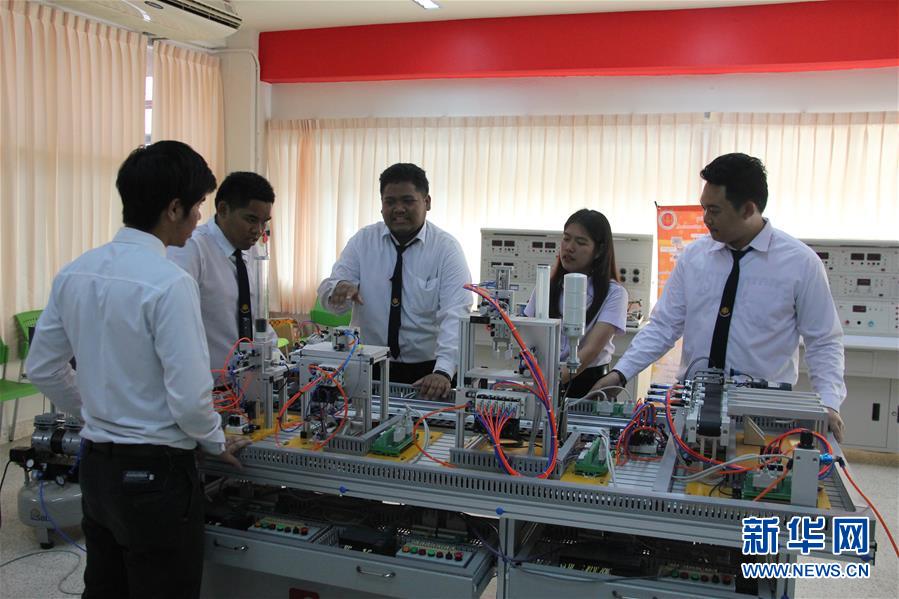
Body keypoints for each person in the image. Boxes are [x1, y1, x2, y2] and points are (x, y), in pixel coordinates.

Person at [26, 141, 249, 598]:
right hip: (157, 476)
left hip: (96, 468)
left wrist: (95, 412)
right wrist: (215, 440)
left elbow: (43, 367)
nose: (199, 218)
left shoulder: (75, 272)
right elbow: (189, 400)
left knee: (105, 586)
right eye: (198, 207)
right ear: (174, 208)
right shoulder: (170, 283)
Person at [592, 153, 846, 441]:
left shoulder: (800, 264)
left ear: (748, 209)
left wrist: (829, 403)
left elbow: (823, 341)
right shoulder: (694, 257)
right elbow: (663, 326)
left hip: (761, 416)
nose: (705, 219)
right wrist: (620, 373)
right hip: (692, 408)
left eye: (714, 210)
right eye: (704, 208)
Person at [317, 163, 472, 400]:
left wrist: (443, 370)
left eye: (408, 201)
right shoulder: (363, 242)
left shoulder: (446, 250)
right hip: (368, 364)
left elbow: (456, 314)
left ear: (427, 202)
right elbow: (332, 294)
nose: (398, 209)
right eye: (390, 202)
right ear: (381, 205)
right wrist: (338, 290)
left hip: (427, 373)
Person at [168, 171, 276, 376]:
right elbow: (175, 325)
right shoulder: (191, 249)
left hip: (248, 381)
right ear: (223, 209)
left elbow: (256, 315)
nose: (258, 230)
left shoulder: (252, 250)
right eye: (251, 219)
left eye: (264, 222)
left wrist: (277, 358)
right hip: (208, 383)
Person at [523, 209, 628, 398]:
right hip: (545, 381)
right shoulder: (546, 286)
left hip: (589, 386)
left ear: (599, 251)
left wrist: (549, 384)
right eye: (566, 239)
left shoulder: (614, 294)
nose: (569, 248)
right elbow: (527, 335)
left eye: (580, 242)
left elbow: (590, 350)